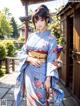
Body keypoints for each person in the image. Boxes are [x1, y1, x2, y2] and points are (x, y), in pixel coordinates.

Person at [14, 5, 64, 106]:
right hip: (29, 72)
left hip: (42, 73)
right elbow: (22, 52)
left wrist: (48, 78)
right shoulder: (31, 36)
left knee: (41, 99)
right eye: (36, 21)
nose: (38, 23)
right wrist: (29, 58)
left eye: (41, 20)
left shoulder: (51, 38)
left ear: (46, 19)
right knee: (30, 100)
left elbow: (51, 59)